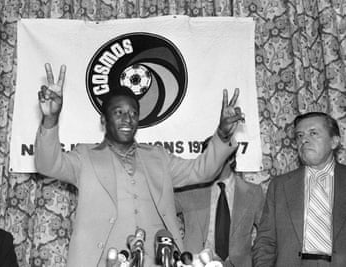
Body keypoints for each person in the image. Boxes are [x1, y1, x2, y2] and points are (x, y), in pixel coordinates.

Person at [35, 63, 245, 266]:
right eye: (119, 112)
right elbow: (48, 164)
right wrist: (50, 121)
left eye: (133, 113)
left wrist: (222, 134)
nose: (128, 119)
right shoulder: (85, 157)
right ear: (103, 119)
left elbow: (202, 172)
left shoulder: (158, 157)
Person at [253, 112, 346, 266]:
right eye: (299, 135)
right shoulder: (280, 186)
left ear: (334, 142)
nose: (304, 140)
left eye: (313, 133)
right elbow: (266, 241)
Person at [175, 137, 264, 267]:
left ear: (231, 158)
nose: (210, 163)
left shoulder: (253, 193)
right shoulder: (188, 189)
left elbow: (267, 235)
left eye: (215, 157)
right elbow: (160, 211)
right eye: (207, 158)